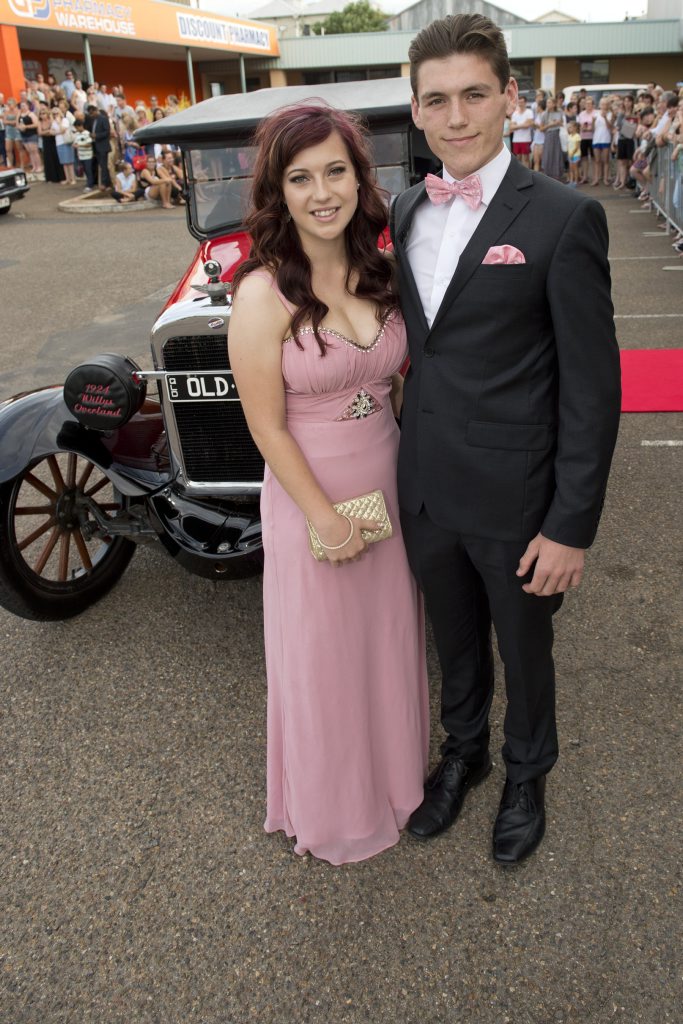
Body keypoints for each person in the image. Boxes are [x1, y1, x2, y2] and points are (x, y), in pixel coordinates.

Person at [390, 14, 621, 865]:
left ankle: (527, 772)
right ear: (415, 111)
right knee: (451, 644)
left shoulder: (564, 217)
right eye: (437, 100)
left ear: (509, 98)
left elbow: (594, 390)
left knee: (524, 651)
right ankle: (465, 756)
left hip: (517, 501)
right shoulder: (404, 205)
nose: (456, 117)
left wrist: (570, 526)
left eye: (474, 95)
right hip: (423, 488)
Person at [227, 103, 429, 865]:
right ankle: (336, 807)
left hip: (386, 483)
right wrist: (328, 521)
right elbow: (265, 426)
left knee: (385, 643)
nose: (321, 192)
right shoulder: (260, 294)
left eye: (335, 172)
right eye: (300, 177)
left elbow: (402, 388)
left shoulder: (380, 271)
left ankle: (397, 783)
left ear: (358, 177)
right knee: (325, 658)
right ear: (279, 191)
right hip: (311, 499)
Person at [540, 95, 565, 181]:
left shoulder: (560, 112)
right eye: (547, 102)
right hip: (549, 135)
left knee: (557, 154)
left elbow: (563, 124)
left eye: (549, 102)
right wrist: (551, 125)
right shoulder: (544, 114)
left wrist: (558, 123)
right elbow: (541, 129)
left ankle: (557, 175)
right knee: (548, 154)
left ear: (554, 104)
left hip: (558, 135)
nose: (548, 104)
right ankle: (548, 175)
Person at [88, 103, 113, 188]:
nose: (91, 115)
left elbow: (107, 132)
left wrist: (97, 135)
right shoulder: (93, 120)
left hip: (103, 145)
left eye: (92, 113)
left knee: (103, 165)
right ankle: (107, 182)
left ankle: (104, 183)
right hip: (96, 145)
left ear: (96, 111)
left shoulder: (103, 119)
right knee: (101, 165)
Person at [510, 94, 533, 166]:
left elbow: (528, 125)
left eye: (522, 102)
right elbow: (511, 127)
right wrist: (523, 125)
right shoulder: (515, 113)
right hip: (516, 140)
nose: (520, 104)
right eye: (519, 102)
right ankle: (519, 176)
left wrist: (516, 126)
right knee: (518, 159)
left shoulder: (529, 112)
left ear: (525, 103)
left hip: (526, 139)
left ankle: (527, 176)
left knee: (526, 159)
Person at [566, 120, 581, 186]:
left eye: (570, 127)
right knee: (571, 169)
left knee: (575, 168)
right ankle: (571, 181)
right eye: (569, 127)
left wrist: (572, 153)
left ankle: (576, 182)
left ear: (575, 128)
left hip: (576, 155)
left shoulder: (577, 136)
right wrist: (569, 153)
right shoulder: (569, 136)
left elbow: (577, 147)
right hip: (570, 155)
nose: (569, 129)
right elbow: (568, 145)